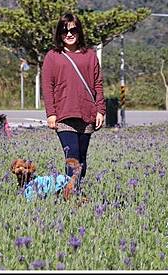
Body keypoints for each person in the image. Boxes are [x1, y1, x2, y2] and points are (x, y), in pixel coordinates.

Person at [42, 13, 105, 197]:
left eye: (73, 30)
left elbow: (98, 84)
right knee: (72, 158)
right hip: (64, 115)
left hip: (87, 114)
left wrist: (100, 110)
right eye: (64, 30)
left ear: (79, 31)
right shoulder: (53, 56)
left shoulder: (90, 56)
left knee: (82, 160)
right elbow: (48, 86)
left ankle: (73, 192)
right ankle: (71, 196)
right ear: (59, 33)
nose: (69, 34)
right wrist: (51, 114)